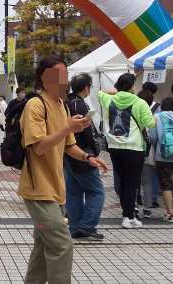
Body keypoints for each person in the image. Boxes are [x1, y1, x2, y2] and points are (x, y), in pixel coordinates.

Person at [18, 55, 108, 284]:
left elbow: (69, 145)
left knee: (43, 246)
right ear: (43, 77)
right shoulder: (35, 105)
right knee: (62, 245)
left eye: (64, 75)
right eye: (56, 75)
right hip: (38, 190)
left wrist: (89, 158)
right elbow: (38, 146)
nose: (62, 80)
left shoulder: (62, 106)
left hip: (56, 191)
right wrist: (68, 127)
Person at [98, 73, 156, 229]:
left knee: (123, 183)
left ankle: (127, 215)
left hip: (115, 148)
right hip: (133, 148)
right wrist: (155, 119)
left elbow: (100, 93)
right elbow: (149, 124)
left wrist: (118, 93)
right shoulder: (140, 103)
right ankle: (128, 217)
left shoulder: (109, 100)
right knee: (131, 184)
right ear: (132, 86)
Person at [63, 73, 106, 240]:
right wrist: (94, 153)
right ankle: (88, 225)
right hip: (82, 153)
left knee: (73, 192)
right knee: (97, 191)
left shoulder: (66, 102)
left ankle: (75, 228)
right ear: (87, 88)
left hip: (68, 152)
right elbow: (89, 133)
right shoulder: (81, 105)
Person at [137, 82, 160, 215]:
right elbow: (155, 135)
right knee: (148, 180)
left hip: (134, 149)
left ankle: (134, 205)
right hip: (148, 151)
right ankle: (147, 207)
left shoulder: (133, 111)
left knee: (134, 180)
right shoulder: (155, 112)